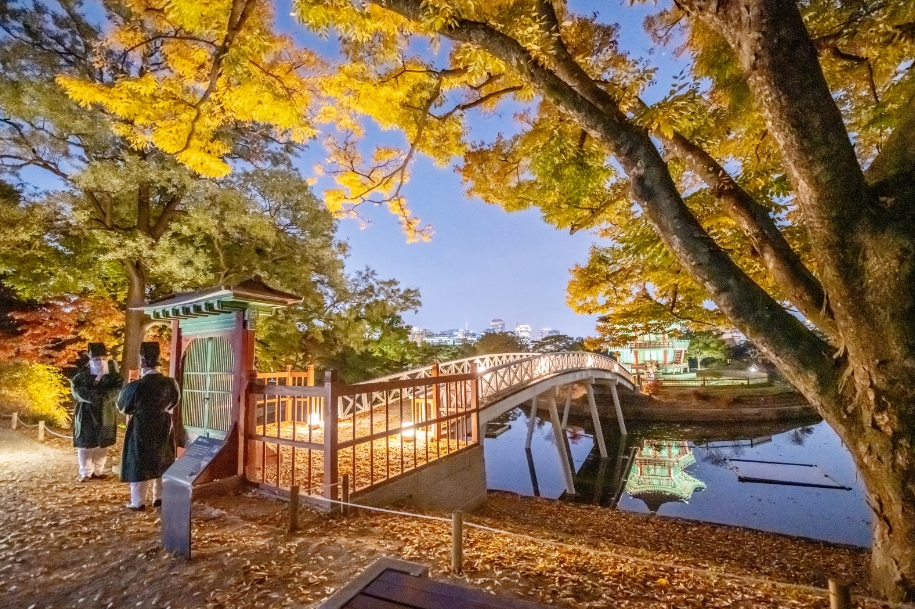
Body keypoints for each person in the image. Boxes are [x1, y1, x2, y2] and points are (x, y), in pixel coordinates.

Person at [117, 342, 180, 511]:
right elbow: (174, 401)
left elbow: (123, 406)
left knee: (139, 461)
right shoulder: (170, 383)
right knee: (161, 459)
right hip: (163, 423)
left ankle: (138, 501)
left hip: (141, 425)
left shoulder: (135, 386)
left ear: (142, 364)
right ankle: (160, 497)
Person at [70, 343, 123, 482]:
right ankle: (86, 473)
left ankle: (98, 471)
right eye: (96, 359)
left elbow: (116, 393)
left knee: (102, 444)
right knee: (85, 444)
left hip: (106, 413)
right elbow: (78, 393)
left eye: (103, 358)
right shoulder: (80, 378)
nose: (100, 361)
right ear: (90, 360)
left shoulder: (114, 378)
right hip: (86, 414)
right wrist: (102, 394)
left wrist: (94, 394)